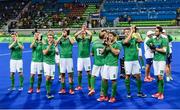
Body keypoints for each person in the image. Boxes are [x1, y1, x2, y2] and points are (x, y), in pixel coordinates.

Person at [122, 27, 147, 98]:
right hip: (128, 61)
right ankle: (128, 92)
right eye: (126, 32)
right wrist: (131, 32)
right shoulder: (123, 40)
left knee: (138, 75)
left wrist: (135, 33)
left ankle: (139, 92)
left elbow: (141, 41)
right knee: (127, 76)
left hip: (135, 60)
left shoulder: (134, 39)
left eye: (128, 31)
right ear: (124, 34)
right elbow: (126, 42)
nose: (127, 33)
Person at [97, 32, 121, 103]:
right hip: (106, 64)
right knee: (104, 80)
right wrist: (105, 45)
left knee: (113, 81)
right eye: (108, 36)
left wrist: (110, 45)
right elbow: (102, 53)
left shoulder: (118, 44)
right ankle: (104, 96)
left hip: (113, 65)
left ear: (114, 37)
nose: (109, 37)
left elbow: (116, 53)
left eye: (111, 36)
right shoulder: (106, 44)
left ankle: (113, 97)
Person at [146, 26, 168, 100]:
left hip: (161, 59)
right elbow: (147, 42)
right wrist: (151, 47)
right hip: (155, 59)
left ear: (160, 32)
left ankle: (161, 94)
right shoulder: (153, 39)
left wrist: (155, 49)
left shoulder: (164, 39)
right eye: (155, 31)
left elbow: (164, 50)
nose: (155, 33)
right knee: (157, 77)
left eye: (157, 31)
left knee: (160, 76)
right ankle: (158, 92)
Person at [88, 29, 107, 96]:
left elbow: (91, 54)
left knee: (95, 76)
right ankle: (93, 89)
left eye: (104, 33)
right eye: (103, 33)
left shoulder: (95, 43)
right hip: (101, 63)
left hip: (102, 63)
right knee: (95, 76)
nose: (103, 34)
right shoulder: (107, 43)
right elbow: (92, 53)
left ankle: (96, 90)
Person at [56, 29, 75, 94]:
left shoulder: (70, 38)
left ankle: (71, 89)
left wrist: (68, 35)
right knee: (62, 74)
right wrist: (61, 35)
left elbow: (73, 42)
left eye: (65, 32)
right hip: (62, 58)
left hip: (69, 58)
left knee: (70, 74)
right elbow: (56, 43)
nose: (64, 32)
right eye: (63, 31)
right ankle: (63, 89)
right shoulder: (61, 39)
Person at [74, 25, 92, 91]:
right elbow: (75, 35)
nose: (83, 33)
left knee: (88, 72)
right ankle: (79, 86)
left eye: (84, 33)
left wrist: (85, 29)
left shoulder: (88, 39)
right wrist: (81, 30)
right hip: (80, 58)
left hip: (87, 58)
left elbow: (91, 34)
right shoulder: (78, 40)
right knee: (79, 72)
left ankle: (90, 86)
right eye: (82, 33)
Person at [43, 32, 56, 99]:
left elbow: (56, 53)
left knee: (51, 78)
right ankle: (48, 92)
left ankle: (49, 90)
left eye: (51, 37)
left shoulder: (54, 45)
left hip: (52, 63)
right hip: (46, 63)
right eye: (48, 37)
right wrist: (49, 45)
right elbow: (44, 53)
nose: (49, 39)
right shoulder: (45, 45)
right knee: (47, 77)